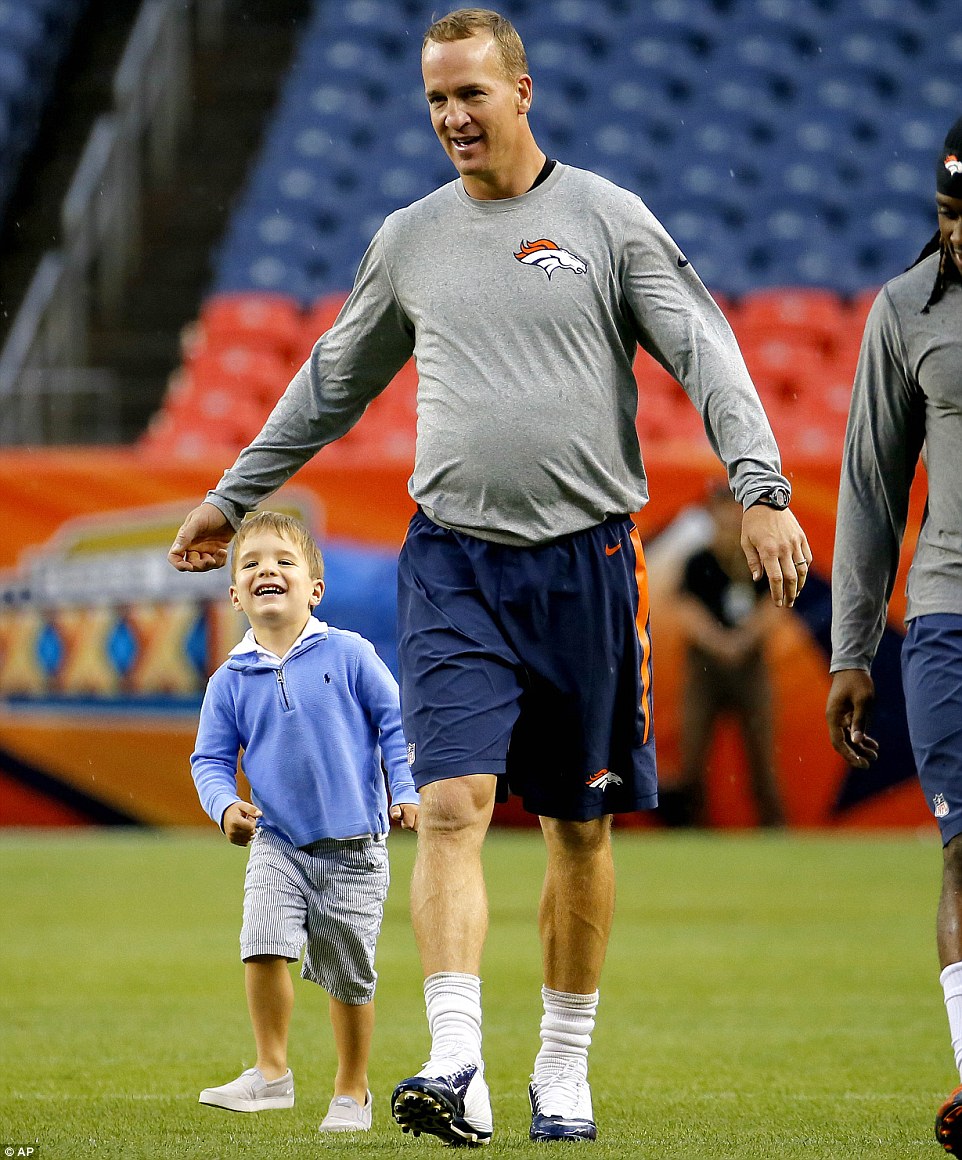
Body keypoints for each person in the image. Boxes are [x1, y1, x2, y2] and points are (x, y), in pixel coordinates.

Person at [168, 9, 811, 1145]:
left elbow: (705, 348)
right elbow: (330, 379)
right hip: (452, 559)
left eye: (469, 94)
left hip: (587, 567)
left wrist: (758, 484)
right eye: (434, 101)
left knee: (576, 826)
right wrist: (233, 491)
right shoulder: (410, 237)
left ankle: (560, 1068)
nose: (451, 118)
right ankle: (455, 1061)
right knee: (452, 805)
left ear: (523, 91)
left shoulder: (604, 218)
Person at [825, 114, 962, 1156]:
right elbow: (869, 489)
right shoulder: (904, 310)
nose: (955, 237)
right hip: (947, 617)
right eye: (946, 217)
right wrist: (849, 648)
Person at [190, 510, 419, 1132]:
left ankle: (352, 1091)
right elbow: (210, 758)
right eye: (251, 564)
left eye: (283, 561)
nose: (267, 569)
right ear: (235, 593)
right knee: (262, 944)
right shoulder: (230, 680)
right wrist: (226, 806)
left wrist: (405, 789)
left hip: (356, 847)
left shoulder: (349, 654)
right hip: (279, 841)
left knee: (347, 974)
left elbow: (395, 724)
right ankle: (271, 1073)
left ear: (314, 589)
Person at [675, 484, 786, 828]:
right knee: (691, 760)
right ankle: (692, 832)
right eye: (720, 506)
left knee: (761, 760)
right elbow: (686, 609)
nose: (727, 514)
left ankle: (773, 831)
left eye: (732, 506)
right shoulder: (699, 560)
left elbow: (774, 604)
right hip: (705, 668)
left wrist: (743, 639)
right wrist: (719, 641)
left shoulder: (758, 556)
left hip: (750, 665)